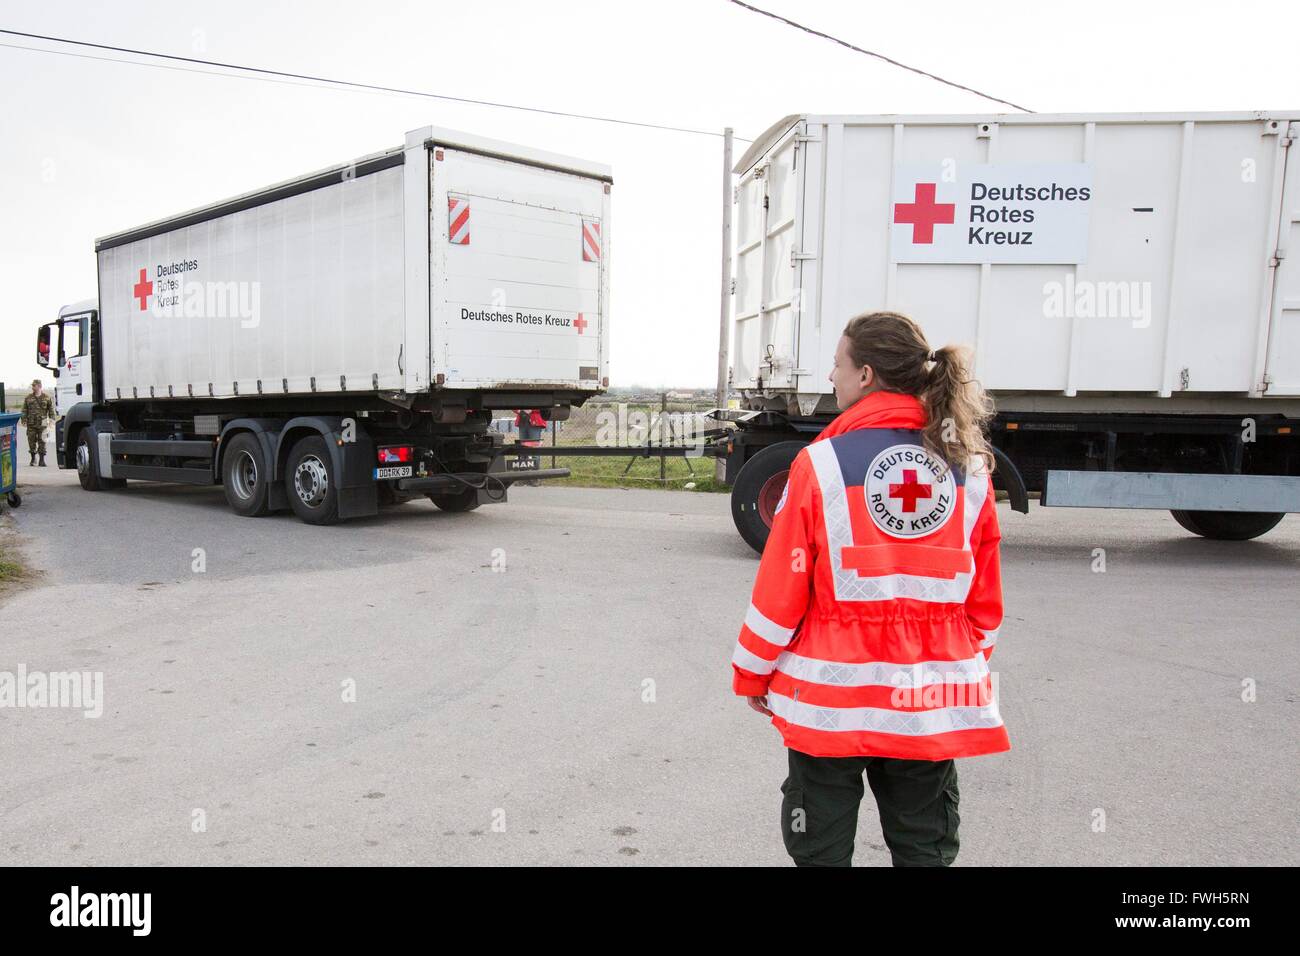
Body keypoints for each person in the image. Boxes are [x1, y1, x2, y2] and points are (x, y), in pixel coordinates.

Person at [730, 311, 1008, 867]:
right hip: (928, 696)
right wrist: (956, 659)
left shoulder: (820, 465)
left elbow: (781, 588)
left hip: (833, 699)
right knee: (925, 841)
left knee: (821, 844)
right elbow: (983, 598)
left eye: (838, 364)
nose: (831, 376)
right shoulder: (969, 467)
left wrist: (753, 671)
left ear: (866, 375)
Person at [21, 379, 55, 467]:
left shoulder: (46, 397)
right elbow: (24, 410)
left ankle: (42, 460)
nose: (32, 387)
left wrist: (51, 421)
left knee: (42, 441)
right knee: (31, 441)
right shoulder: (28, 398)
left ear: (39, 386)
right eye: (32, 386)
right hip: (31, 423)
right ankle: (33, 458)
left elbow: (51, 410)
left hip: (43, 423)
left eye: (34, 385)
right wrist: (23, 420)